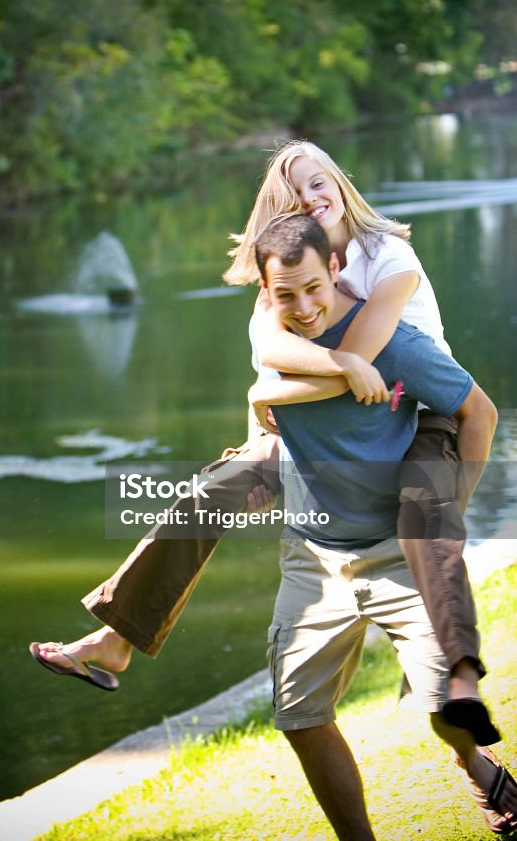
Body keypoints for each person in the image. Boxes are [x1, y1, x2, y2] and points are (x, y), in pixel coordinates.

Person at [30, 140, 494, 740]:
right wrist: (274, 387)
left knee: (423, 509)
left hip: (420, 413)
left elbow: (363, 360)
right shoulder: (291, 265)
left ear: (340, 184)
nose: (313, 198)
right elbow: (270, 349)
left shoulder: (387, 255)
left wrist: (266, 394)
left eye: (320, 182)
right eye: (296, 194)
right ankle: (118, 636)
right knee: (214, 489)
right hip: (336, 417)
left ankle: (453, 676)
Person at [247, 212, 515, 839]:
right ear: (265, 293)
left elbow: (479, 411)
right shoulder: (274, 351)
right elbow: (258, 402)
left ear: (335, 268)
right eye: (285, 295)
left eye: (314, 287)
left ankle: (477, 765)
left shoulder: (393, 343)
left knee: (447, 707)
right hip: (313, 561)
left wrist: (454, 504)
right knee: (300, 718)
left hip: (399, 555)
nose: (305, 306)